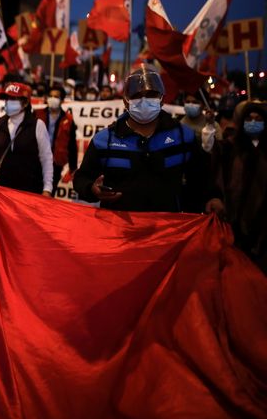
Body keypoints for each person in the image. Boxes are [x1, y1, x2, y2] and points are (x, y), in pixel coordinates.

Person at [73, 64, 224, 214]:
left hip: (168, 230)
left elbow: (201, 177)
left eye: (151, 94)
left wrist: (212, 198)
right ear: (126, 101)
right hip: (118, 231)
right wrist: (92, 189)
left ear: (161, 98)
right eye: (137, 96)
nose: (144, 100)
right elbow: (81, 178)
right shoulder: (104, 140)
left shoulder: (182, 136)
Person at [0, 82, 54, 196]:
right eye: (7, 98)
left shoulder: (37, 125)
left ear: (25, 103)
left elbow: (46, 159)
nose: (8, 102)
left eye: (13, 98)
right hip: (0, 189)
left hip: (28, 190)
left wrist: (47, 188)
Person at [215, 102, 266, 271]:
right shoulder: (230, 148)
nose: (253, 122)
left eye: (258, 119)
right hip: (233, 222)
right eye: (249, 118)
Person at [37, 86, 78, 192]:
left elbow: (72, 145)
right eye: (50, 96)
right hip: (37, 159)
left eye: (56, 96)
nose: (52, 98)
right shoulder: (37, 114)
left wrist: (73, 167)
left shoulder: (68, 119)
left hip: (56, 162)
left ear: (62, 100)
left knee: (49, 192)